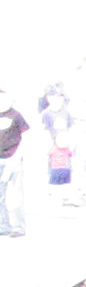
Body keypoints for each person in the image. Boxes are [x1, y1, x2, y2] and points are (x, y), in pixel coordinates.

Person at [0, 89, 27, 237]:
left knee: (15, 194)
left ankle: (18, 226)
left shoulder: (16, 116)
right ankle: (3, 225)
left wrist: (18, 156)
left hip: (13, 158)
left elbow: (26, 136)